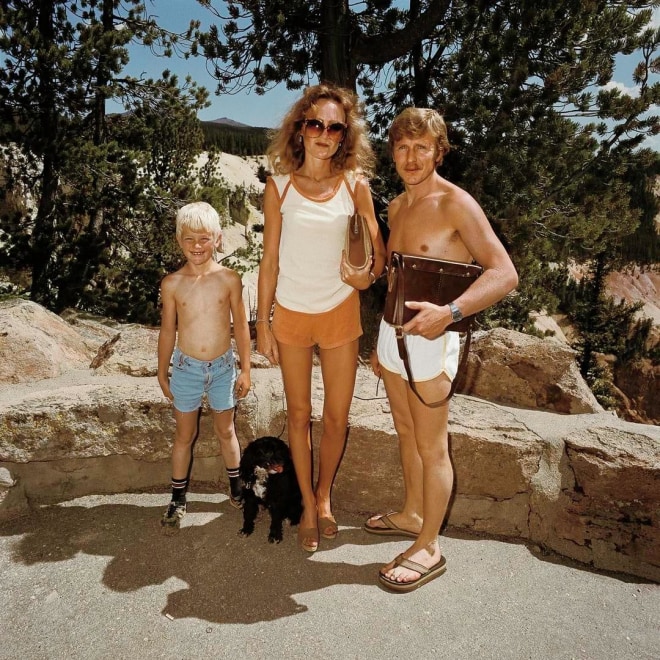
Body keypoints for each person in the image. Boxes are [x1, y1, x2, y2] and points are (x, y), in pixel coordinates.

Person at [364, 108, 518, 591]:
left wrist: (449, 313)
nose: (411, 158)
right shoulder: (396, 207)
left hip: (434, 339)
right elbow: (394, 276)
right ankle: (413, 513)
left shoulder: (456, 204)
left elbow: (504, 273)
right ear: (393, 152)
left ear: (438, 151)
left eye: (421, 148)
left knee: (433, 446)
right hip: (394, 335)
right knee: (406, 433)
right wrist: (379, 340)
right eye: (402, 148)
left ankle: (430, 545)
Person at [256, 83, 387, 552]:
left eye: (335, 127)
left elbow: (377, 249)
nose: (324, 134)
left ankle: (324, 495)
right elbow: (268, 260)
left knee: (335, 418)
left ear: (344, 136)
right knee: (298, 414)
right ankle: (308, 508)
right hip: (291, 313)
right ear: (300, 128)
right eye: (316, 124)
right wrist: (262, 323)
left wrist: (367, 276)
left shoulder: (355, 186)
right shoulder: (280, 187)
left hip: (338, 313)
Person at [157, 201, 251, 530]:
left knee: (226, 430)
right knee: (185, 435)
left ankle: (238, 489)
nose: (197, 247)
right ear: (179, 239)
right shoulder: (172, 284)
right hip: (186, 369)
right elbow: (168, 329)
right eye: (189, 239)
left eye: (204, 239)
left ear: (218, 238)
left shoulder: (229, 279)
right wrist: (161, 369)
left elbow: (240, 325)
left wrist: (246, 368)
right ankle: (178, 498)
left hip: (223, 368)